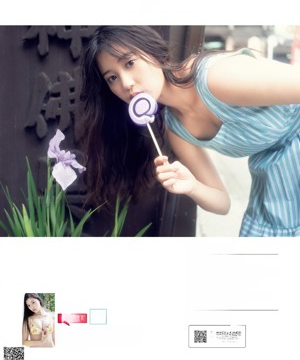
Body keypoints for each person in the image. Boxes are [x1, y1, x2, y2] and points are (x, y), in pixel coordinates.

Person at [80, 26, 300, 237]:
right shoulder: (176, 128)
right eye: (112, 78)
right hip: (275, 180)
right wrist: (191, 186)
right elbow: (222, 203)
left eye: (129, 63)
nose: (126, 83)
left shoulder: (215, 76)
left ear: (152, 51)